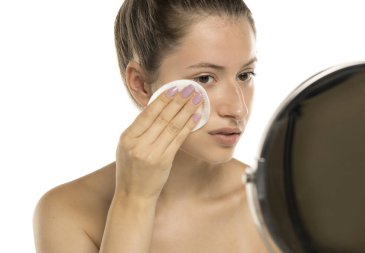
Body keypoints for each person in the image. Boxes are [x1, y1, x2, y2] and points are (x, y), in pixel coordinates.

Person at [33, 0, 269, 252]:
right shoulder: (68, 212)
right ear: (141, 84)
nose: (237, 109)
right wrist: (134, 199)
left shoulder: (274, 202)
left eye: (245, 75)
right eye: (205, 78)